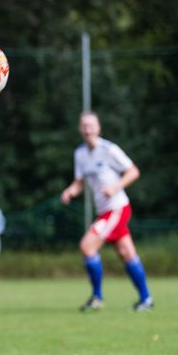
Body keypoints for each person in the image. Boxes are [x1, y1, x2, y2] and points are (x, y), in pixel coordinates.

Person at [59, 111, 154, 312]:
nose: (87, 129)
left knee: (87, 246)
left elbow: (133, 171)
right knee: (126, 253)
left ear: (98, 128)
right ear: (80, 129)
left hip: (117, 208)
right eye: (84, 126)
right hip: (104, 211)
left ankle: (97, 298)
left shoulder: (109, 149)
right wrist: (70, 191)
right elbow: (79, 183)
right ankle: (146, 299)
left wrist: (115, 187)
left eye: (91, 125)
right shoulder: (80, 154)